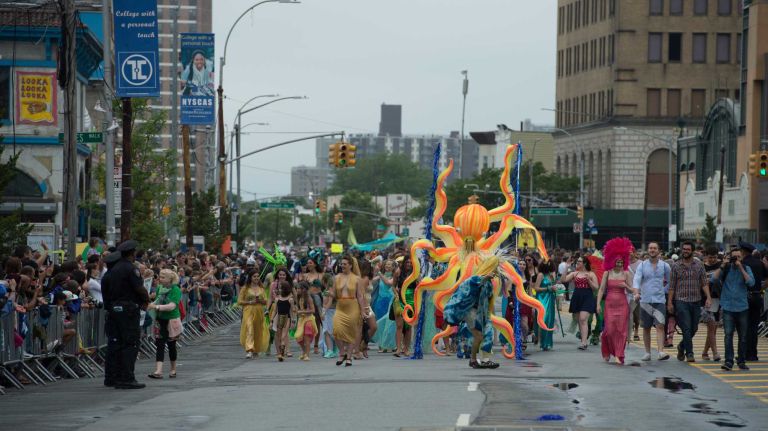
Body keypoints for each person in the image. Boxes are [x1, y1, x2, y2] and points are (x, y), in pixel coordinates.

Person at [101, 240, 150, 389]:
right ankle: (127, 378)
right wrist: (146, 300)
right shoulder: (130, 269)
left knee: (115, 344)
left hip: (114, 310)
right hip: (128, 310)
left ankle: (113, 377)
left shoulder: (110, 273)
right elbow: (139, 288)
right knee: (130, 343)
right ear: (132, 253)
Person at [443, 256, 500, 369]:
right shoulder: (476, 278)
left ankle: (485, 360)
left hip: (482, 314)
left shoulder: (489, 283)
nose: (496, 270)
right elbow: (471, 284)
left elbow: (488, 299)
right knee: (478, 336)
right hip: (471, 312)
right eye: (495, 267)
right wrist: (484, 278)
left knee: (487, 334)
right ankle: (473, 359)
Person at [667, 241, 712, 363]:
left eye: (688, 249)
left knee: (694, 328)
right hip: (681, 301)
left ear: (692, 251)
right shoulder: (676, 266)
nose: (685, 251)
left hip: (696, 301)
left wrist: (708, 297)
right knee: (686, 327)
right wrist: (670, 302)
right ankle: (690, 353)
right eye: (684, 249)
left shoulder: (699, 265)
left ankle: (681, 346)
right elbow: (672, 286)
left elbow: (704, 283)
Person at [596, 237, 637, 365]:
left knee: (621, 331)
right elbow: (601, 289)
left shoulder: (626, 273)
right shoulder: (607, 273)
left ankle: (619, 354)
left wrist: (626, 287)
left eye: (621, 262)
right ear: (612, 261)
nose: (619, 264)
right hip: (609, 304)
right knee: (609, 330)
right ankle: (607, 350)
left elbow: (632, 290)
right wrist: (598, 304)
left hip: (622, 304)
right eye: (617, 262)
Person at [713, 248, 755, 371]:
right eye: (734, 257)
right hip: (728, 307)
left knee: (743, 336)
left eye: (738, 257)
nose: (736, 259)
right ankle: (728, 361)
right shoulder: (726, 268)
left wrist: (741, 268)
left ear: (742, 258)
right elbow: (713, 279)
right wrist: (723, 264)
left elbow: (751, 283)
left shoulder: (746, 268)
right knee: (728, 335)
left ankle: (741, 361)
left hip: (742, 307)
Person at [633, 242, 671, 361]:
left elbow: (670, 282)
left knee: (660, 325)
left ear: (658, 250)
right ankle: (647, 352)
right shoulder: (642, 265)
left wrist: (663, 290)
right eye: (650, 248)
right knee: (646, 327)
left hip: (659, 300)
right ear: (648, 250)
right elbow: (636, 280)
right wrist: (636, 293)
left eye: (654, 248)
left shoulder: (665, 266)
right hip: (645, 300)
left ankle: (660, 352)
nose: (652, 250)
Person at [328, 255, 365, 367]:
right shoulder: (336, 278)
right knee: (336, 330)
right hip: (340, 307)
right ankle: (342, 352)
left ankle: (348, 357)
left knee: (351, 333)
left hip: (353, 307)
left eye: (344, 264)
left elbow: (360, 296)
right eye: (341, 264)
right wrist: (329, 294)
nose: (342, 266)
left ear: (350, 265)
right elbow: (334, 294)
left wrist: (363, 311)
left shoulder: (357, 279)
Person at [147, 269, 182, 379]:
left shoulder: (175, 289)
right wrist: (150, 305)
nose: (160, 279)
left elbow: (172, 306)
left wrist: (156, 307)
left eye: (163, 277)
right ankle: (158, 371)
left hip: (171, 319)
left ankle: (173, 369)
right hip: (160, 319)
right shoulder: (159, 288)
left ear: (170, 279)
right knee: (160, 345)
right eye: (160, 277)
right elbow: (157, 300)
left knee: (172, 345)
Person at [562, 256, 599, 350]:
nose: (577, 263)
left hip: (587, 297)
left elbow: (596, 287)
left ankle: (584, 342)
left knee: (583, 319)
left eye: (579, 261)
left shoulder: (591, 274)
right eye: (577, 261)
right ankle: (583, 340)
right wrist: (566, 267)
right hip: (577, 297)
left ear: (584, 263)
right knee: (580, 320)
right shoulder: (575, 273)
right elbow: (563, 280)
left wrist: (589, 280)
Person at [739, 242, 766, 362]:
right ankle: (753, 354)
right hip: (757, 296)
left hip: (744, 297)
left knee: (743, 327)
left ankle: (744, 353)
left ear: (743, 252)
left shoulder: (742, 264)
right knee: (754, 327)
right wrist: (760, 288)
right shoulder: (760, 263)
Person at [237, 269, 269, 358]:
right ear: (250, 278)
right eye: (254, 276)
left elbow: (266, 301)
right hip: (248, 311)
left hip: (259, 311)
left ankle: (256, 349)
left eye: (258, 276)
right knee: (249, 328)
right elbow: (239, 301)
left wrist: (260, 300)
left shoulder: (261, 289)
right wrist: (250, 302)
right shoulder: (245, 288)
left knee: (258, 330)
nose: (256, 278)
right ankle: (249, 349)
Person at [702, 247, 723, 361]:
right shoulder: (702, 267)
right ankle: (715, 353)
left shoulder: (721, 266)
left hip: (718, 299)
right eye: (710, 257)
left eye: (714, 257)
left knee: (713, 328)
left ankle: (705, 352)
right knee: (711, 326)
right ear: (706, 256)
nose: (712, 260)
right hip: (706, 299)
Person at [531, 260, 557, 351]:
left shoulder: (550, 275)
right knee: (543, 320)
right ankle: (542, 342)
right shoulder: (540, 275)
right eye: (546, 263)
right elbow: (536, 288)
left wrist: (554, 288)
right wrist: (548, 288)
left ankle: (547, 343)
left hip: (550, 300)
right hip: (542, 299)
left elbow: (553, 286)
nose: (548, 265)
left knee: (549, 321)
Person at [270, 281, 294, 362]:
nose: (279, 289)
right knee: (278, 336)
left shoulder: (290, 299)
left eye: (281, 288)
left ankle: (282, 354)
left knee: (283, 336)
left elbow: (292, 311)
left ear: (285, 289)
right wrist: (271, 320)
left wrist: (293, 321)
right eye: (279, 288)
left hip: (287, 318)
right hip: (278, 318)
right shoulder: (277, 299)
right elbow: (274, 311)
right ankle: (279, 353)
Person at [294, 282, 318, 361]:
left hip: (308, 319)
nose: (297, 290)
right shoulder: (299, 297)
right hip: (301, 320)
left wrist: (302, 311)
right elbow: (298, 309)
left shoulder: (309, 298)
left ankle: (307, 355)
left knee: (306, 338)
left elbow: (313, 310)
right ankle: (304, 352)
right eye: (297, 288)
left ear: (303, 289)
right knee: (298, 338)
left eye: (298, 288)